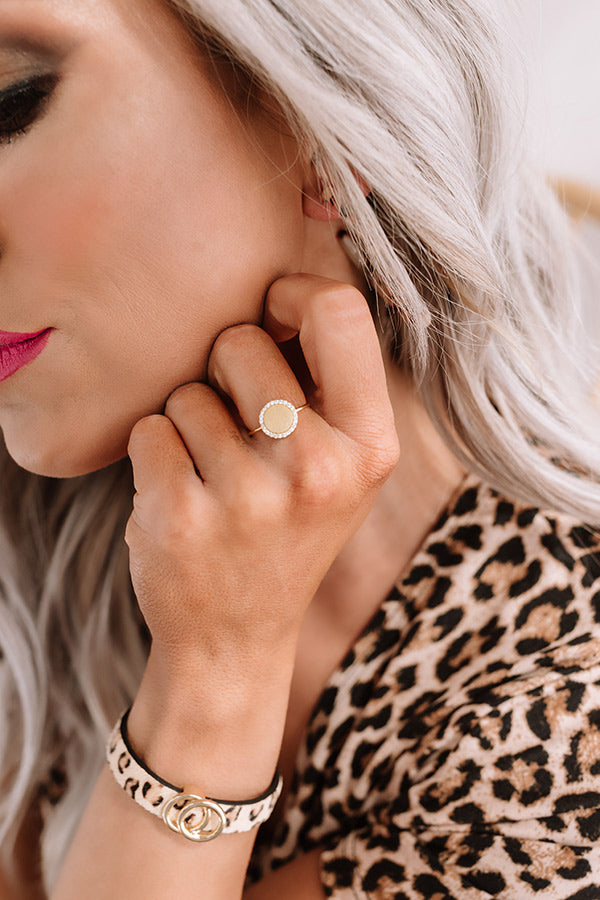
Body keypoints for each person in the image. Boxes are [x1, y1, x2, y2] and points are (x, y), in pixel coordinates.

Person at [0, 0, 599, 896]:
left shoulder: (567, 713)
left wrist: (214, 673)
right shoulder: (41, 551)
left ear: (321, 124)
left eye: (10, 105)